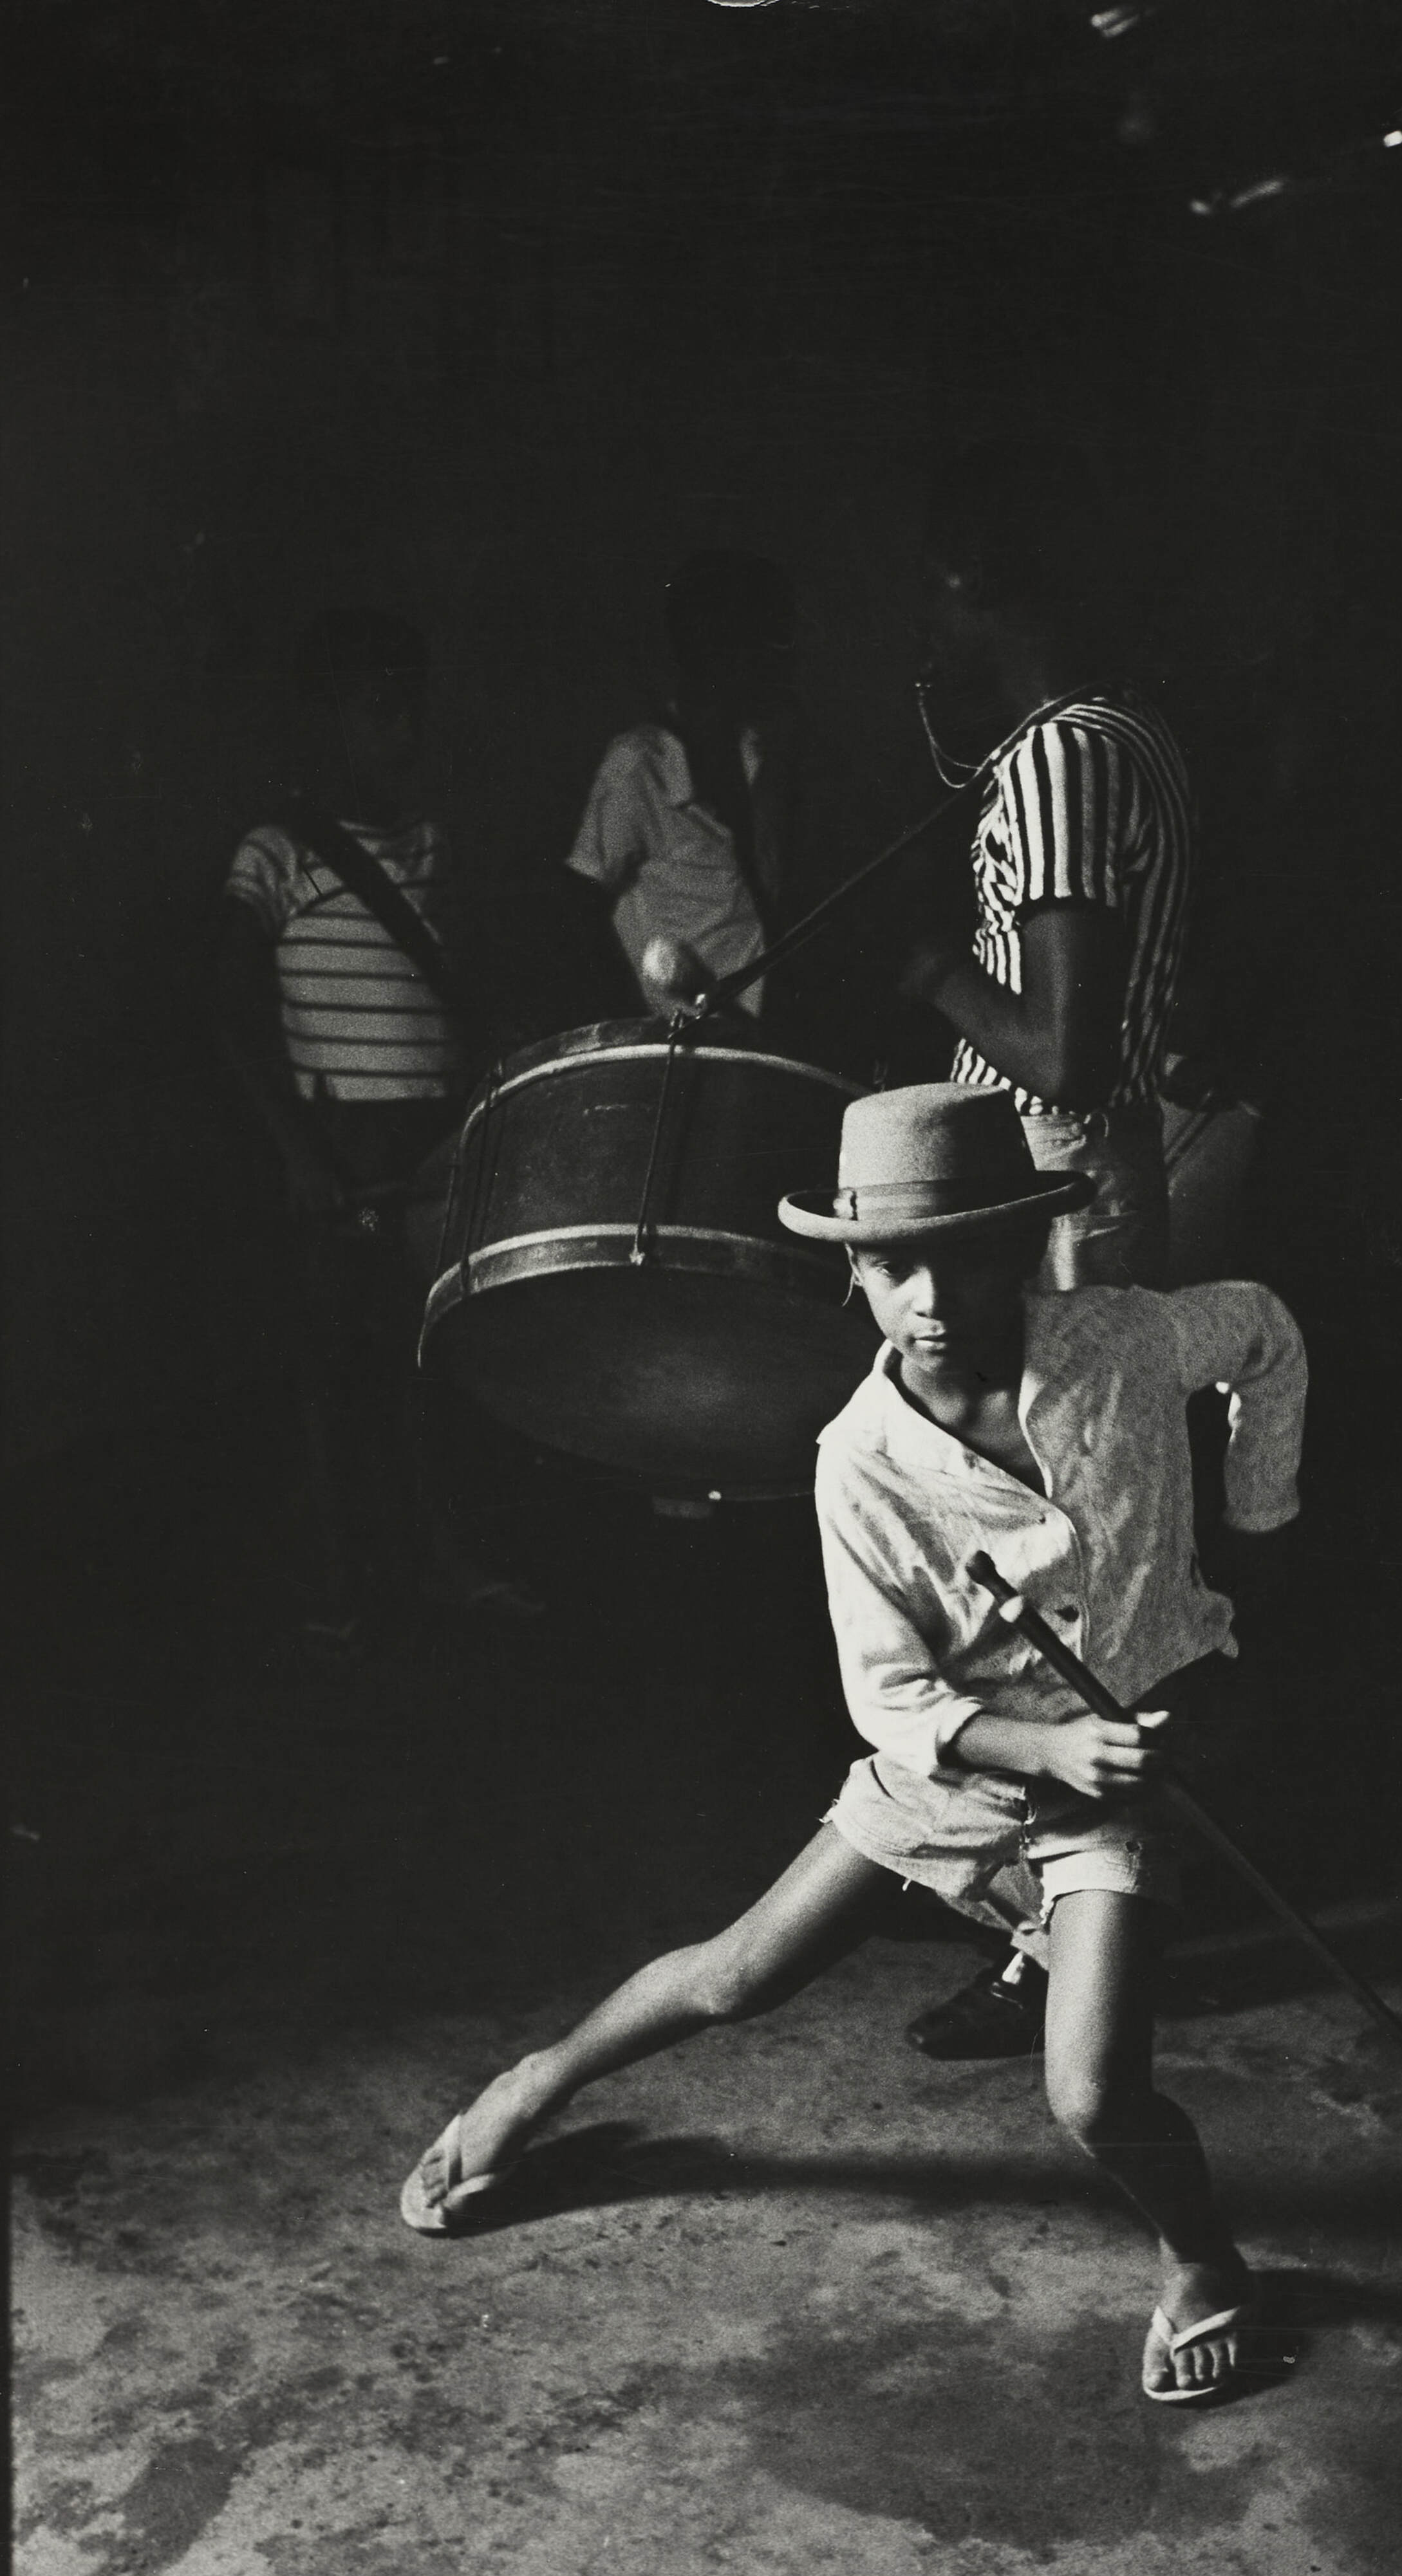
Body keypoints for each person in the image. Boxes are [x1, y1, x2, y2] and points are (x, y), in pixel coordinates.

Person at [399, 1083, 1307, 2406]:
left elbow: (1268, 1334)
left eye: (967, 1253)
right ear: (855, 1271)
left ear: (1023, 1246)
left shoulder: (1128, 1340)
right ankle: (533, 2087)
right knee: (737, 1978)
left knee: (1095, 2096)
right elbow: (889, 1702)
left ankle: (1208, 2267)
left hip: (1124, 1775)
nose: (931, 1293)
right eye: (893, 1262)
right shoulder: (861, 1463)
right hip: (964, 1766)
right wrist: (1037, 1752)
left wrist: (1259, 1526)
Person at [216, 607, 531, 1634]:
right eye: (376, 706)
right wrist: (298, 1153)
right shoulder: (275, 855)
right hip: (338, 1150)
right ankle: (343, 1584)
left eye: (412, 705)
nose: (403, 726)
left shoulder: (436, 842)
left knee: (435, 1366)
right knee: (337, 1371)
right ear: (320, 720)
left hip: (436, 1145)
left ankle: (444, 1560)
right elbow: (229, 1012)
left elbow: (465, 987)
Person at [901, 443, 1195, 1293]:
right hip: (1082, 1173)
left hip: (1052, 1180)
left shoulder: (1060, 754)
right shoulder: (1126, 728)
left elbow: (1066, 1061)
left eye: (932, 588)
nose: (926, 622)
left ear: (976, 578)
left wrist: (935, 971)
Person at [561, 551, 797, 1023]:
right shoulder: (637, 765)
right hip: (685, 1044)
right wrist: (640, 1016)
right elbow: (580, 908)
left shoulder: (764, 752)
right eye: (745, 642)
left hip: (765, 1033)